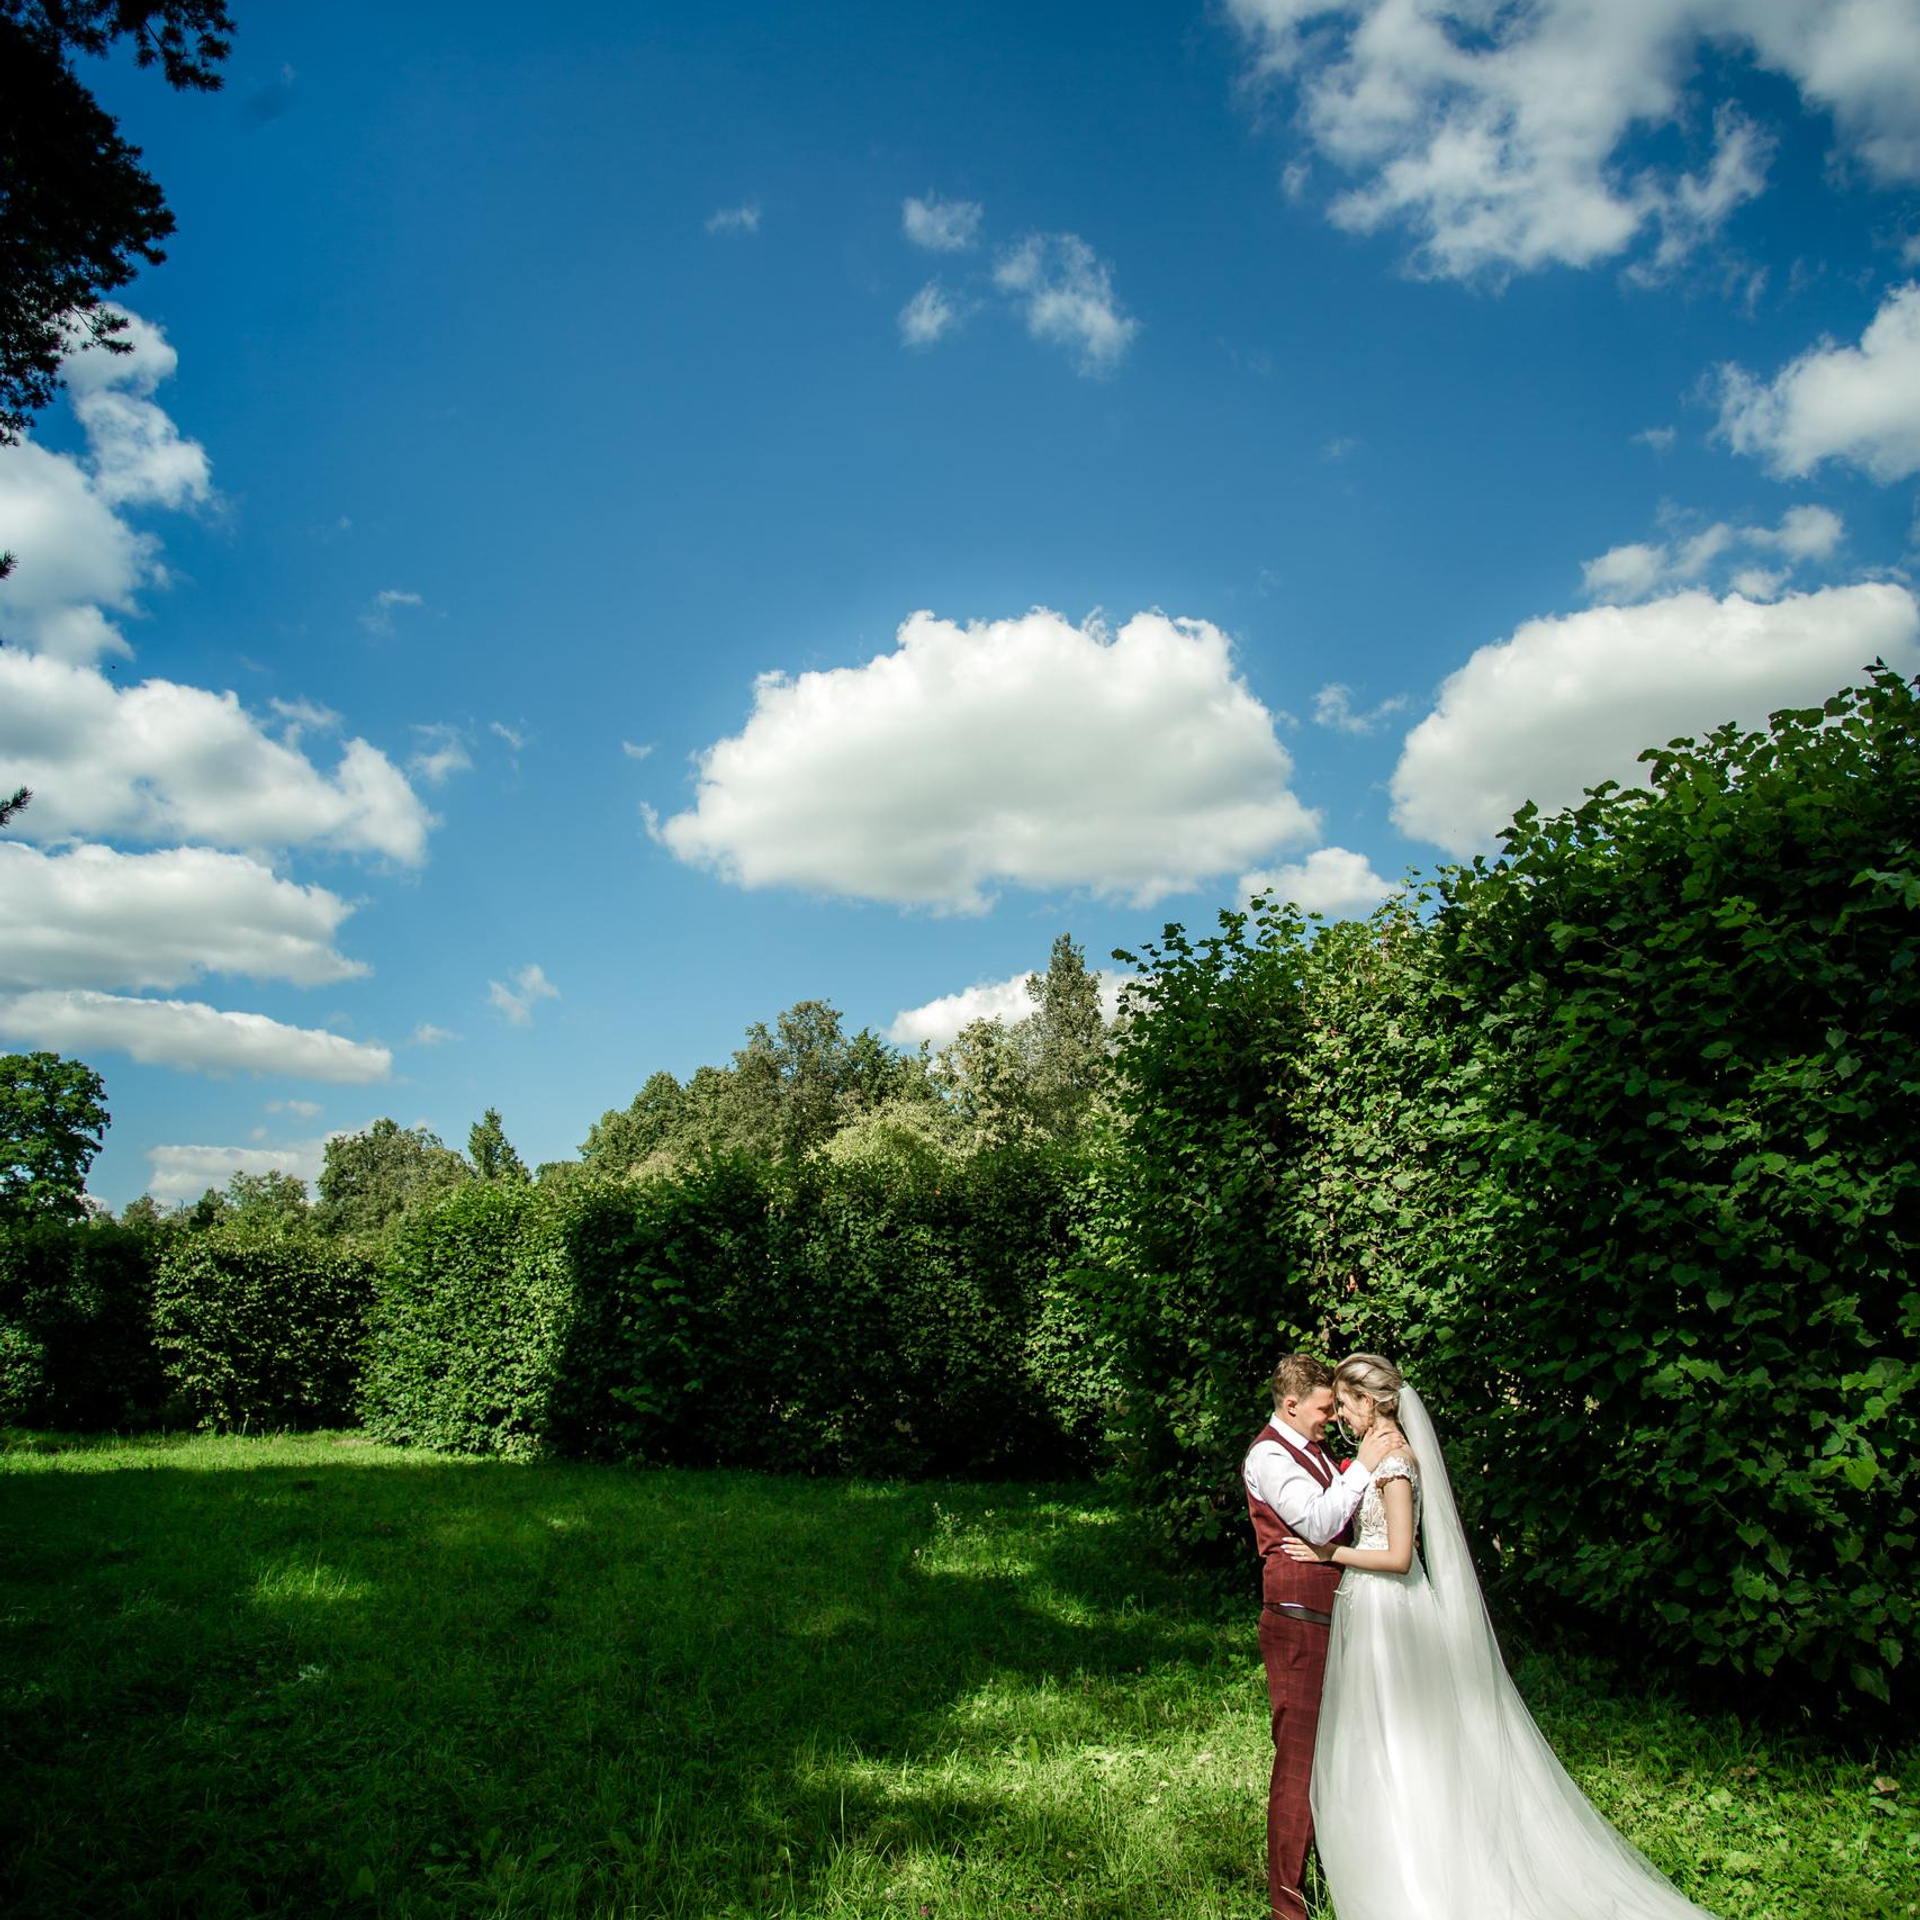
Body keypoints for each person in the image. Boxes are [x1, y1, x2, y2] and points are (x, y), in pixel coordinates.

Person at [1278, 1353, 1717, 1919]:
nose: (1340, 1415)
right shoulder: (1371, 1457)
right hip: (1367, 1611)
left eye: (1345, 1403)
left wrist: (1329, 1552)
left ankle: (1426, 1864)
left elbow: (1400, 1555)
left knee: (1409, 1737)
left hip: (1392, 1613)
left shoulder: (1394, 1464)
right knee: (1376, 1734)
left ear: (1371, 1402)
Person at [1243, 1353, 1399, 1920]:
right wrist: (1360, 1466)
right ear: (1291, 1404)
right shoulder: (1268, 1454)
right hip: (1297, 1622)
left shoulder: (1316, 1453)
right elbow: (1318, 1523)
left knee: (1341, 1754)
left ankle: (1341, 1873)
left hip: (1340, 1618)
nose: (1331, 1417)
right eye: (1323, 1407)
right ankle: (1288, 1906)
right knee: (1299, 1760)